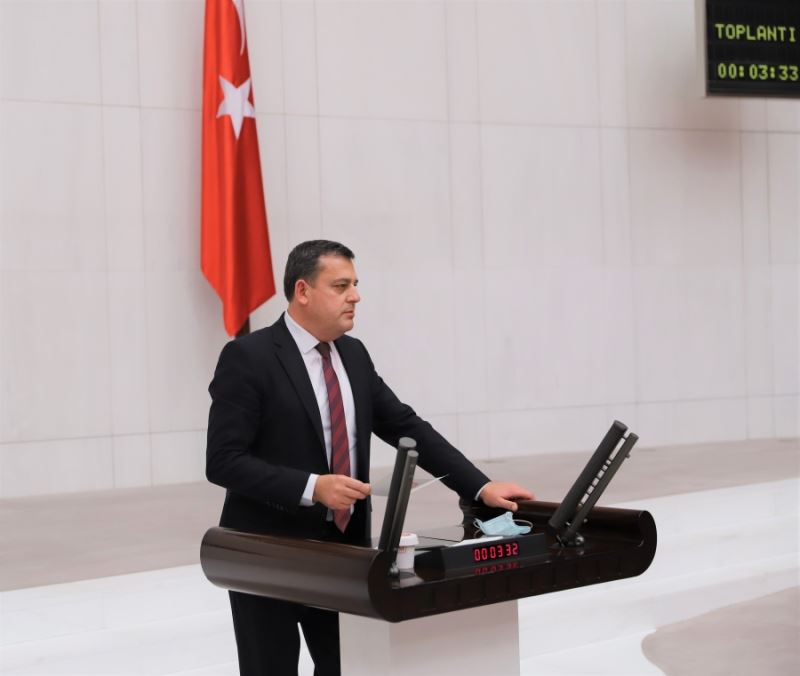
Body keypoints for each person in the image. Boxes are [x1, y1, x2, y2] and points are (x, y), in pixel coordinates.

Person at [206, 240, 534, 676]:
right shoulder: (249, 357)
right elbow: (223, 460)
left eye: (355, 284)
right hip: (269, 554)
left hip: (345, 553)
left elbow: (407, 426)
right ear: (303, 291)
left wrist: (480, 486)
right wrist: (312, 487)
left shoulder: (353, 355)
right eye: (341, 286)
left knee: (347, 667)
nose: (355, 296)